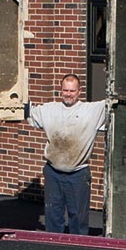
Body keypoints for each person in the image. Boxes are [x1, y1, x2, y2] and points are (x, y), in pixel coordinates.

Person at [27, 74, 110, 235]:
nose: (68, 94)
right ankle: (53, 248)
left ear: (79, 92)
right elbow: (26, 110)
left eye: (72, 90)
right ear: (61, 90)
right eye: (65, 90)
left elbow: (115, 101)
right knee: (53, 216)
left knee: (78, 218)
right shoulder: (49, 110)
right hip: (53, 172)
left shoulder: (92, 111)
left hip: (78, 174)